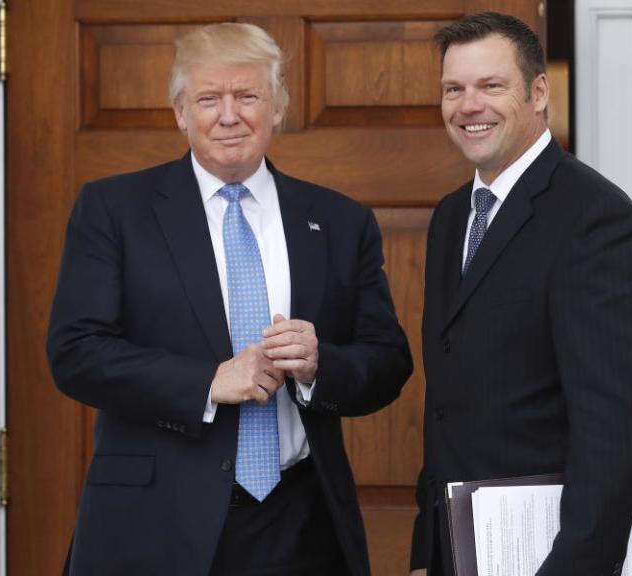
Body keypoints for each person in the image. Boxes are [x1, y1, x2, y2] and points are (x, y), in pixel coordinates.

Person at [46, 22, 412, 576]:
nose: (228, 114)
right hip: (154, 524)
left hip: (300, 525)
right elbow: (75, 353)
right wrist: (208, 383)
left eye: (247, 96)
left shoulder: (339, 220)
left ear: (278, 107)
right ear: (179, 112)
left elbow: (388, 361)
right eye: (208, 98)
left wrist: (319, 365)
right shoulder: (114, 211)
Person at [410, 12, 632, 576]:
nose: (468, 106)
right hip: (465, 549)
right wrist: (428, 551)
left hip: (560, 554)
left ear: (539, 92)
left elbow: (614, 435)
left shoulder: (595, 219)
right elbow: (447, 407)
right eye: (454, 89)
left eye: (491, 86)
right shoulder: (453, 217)